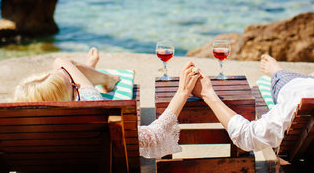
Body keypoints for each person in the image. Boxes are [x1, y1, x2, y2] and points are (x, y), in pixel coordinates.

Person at [192, 51, 314, 152]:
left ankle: (278, 70)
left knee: (282, 78)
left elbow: (248, 137)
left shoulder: (301, 100)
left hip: (292, 87)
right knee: (312, 79)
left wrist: (208, 94)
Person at [14, 48, 200, 158]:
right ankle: (106, 78)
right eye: (73, 87)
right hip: (93, 119)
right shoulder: (96, 114)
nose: (76, 86)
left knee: (63, 64)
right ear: (71, 97)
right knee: (63, 63)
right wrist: (183, 92)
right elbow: (155, 135)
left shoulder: (16, 132)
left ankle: (98, 74)